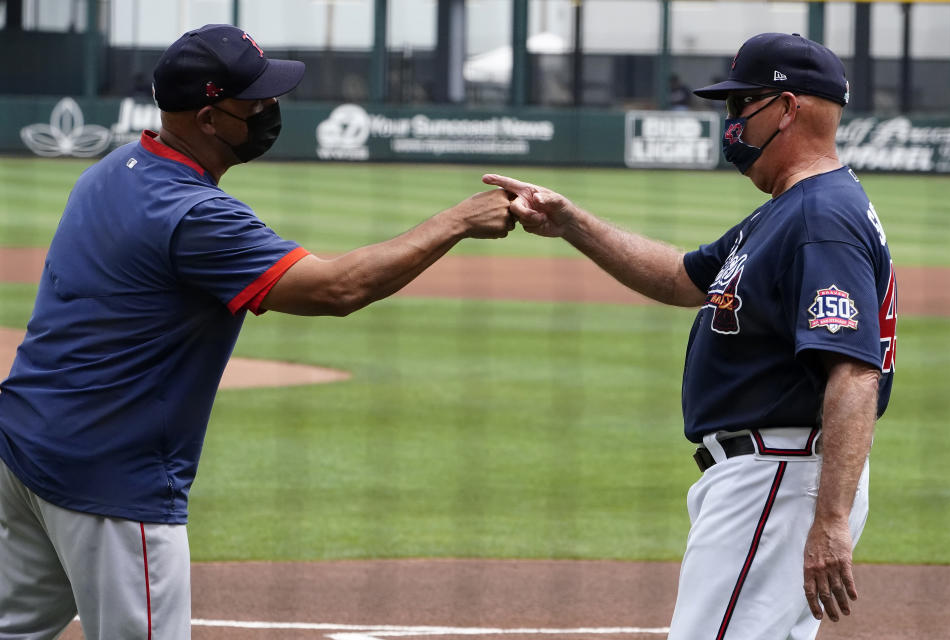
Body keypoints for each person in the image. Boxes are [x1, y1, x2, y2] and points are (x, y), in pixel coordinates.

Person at [0, 24, 514, 639]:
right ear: (211, 118)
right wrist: (457, 221)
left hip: (23, 449)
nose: (272, 109)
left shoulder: (116, 169)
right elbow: (335, 289)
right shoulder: (193, 214)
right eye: (257, 101)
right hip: (109, 476)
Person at [484, 32, 896, 639]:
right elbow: (682, 278)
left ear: (788, 107)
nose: (730, 123)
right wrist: (571, 223)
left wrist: (830, 519)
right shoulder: (790, 208)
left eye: (740, 105)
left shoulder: (819, 217)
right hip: (771, 474)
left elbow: (855, 371)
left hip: (779, 477)